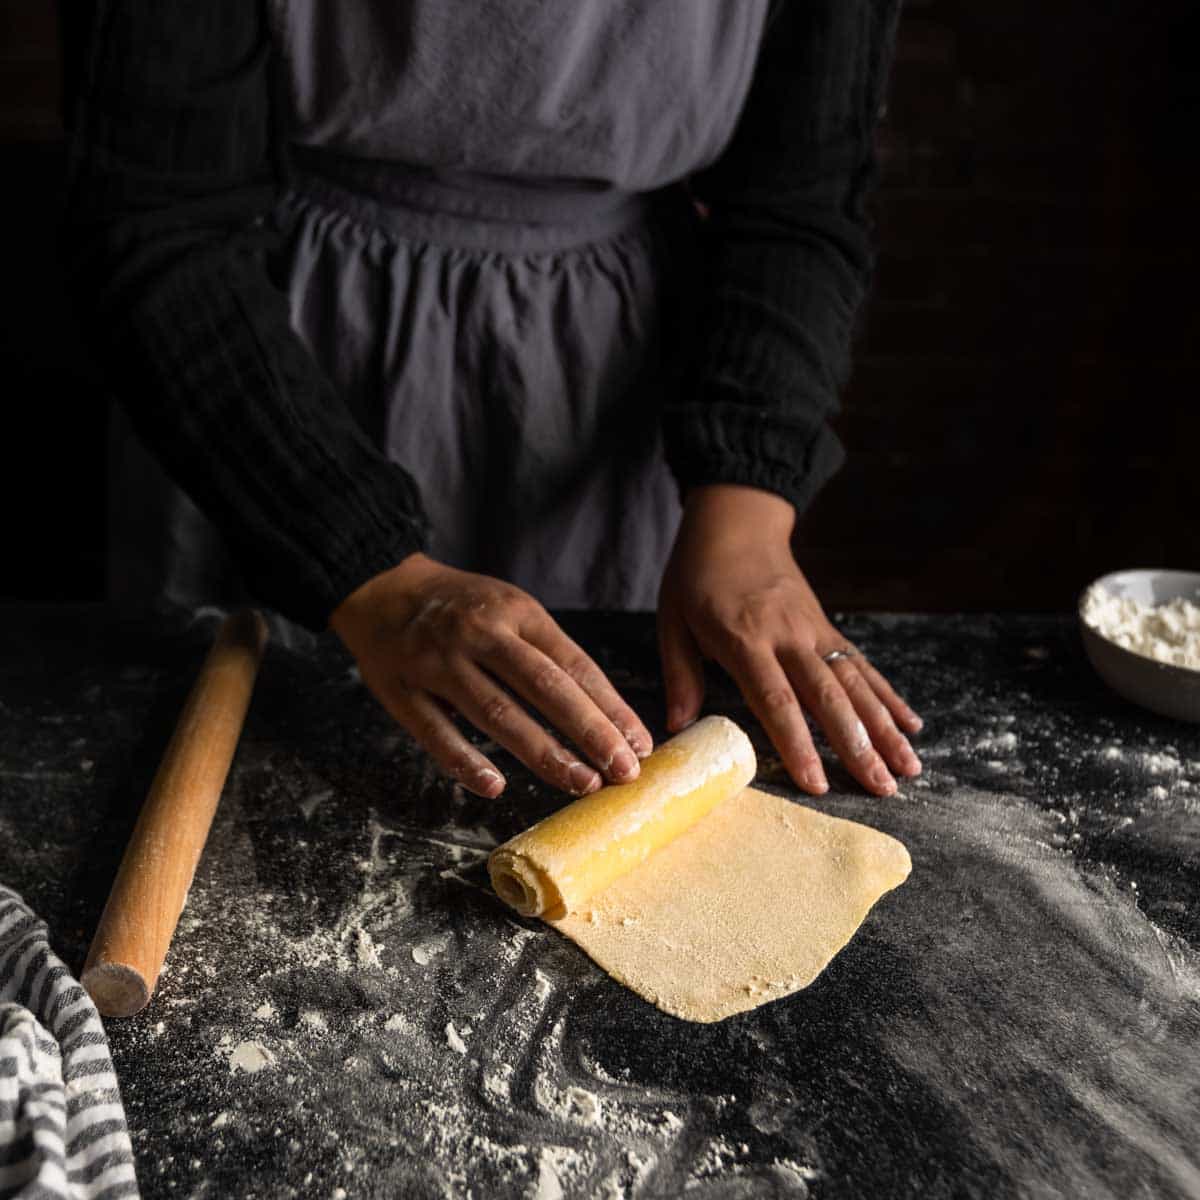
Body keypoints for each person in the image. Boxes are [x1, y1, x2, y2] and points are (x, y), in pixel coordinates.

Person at [60, 0, 923, 804]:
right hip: (268, 376)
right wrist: (357, 560)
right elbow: (154, 216)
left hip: (617, 403)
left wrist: (745, 512)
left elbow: (798, 200)